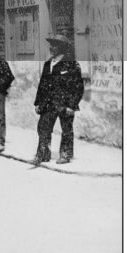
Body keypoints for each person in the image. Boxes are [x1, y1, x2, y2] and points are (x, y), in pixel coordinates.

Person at [33, 34, 84, 165]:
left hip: (64, 103)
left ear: (62, 47)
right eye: (51, 45)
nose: (51, 47)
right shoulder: (48, 63)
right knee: (43, 128)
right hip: (48, 103)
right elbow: (42, 85)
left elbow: (78, 87)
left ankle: (65, 154)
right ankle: (43, 154)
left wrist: (72, 106)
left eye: (55, 45)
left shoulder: (71, 65)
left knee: (66, 129)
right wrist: (38, 102)